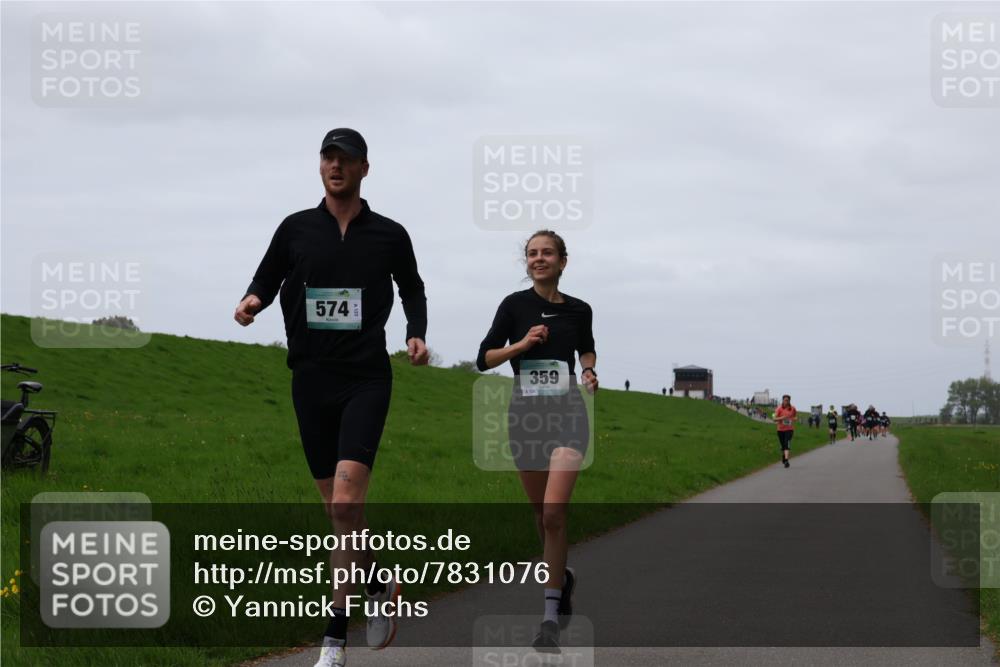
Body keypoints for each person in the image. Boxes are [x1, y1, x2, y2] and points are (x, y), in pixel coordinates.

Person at [234, 128, 429, 667]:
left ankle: (333, 641)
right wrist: (251, 301)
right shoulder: (295, 228)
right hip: (310, 378)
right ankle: (376, 582)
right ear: (320, 166)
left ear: (365, 168)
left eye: (345, 159)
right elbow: (267, 277)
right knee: (338, 509)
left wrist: (416, 330)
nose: (335, 166)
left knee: (346, 502)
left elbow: (412, 285)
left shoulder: (389, 234)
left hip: (366, 378)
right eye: (328, 157)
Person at [476, 230, 597, 654]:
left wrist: (587, 371)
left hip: (568, 414)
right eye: (532, 253)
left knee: (553, 511)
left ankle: (549, 619)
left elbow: (587, 349)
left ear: (563, 261)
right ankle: (561, 580)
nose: (539, 258)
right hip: (526, 418)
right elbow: (483, 358)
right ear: (526, 262)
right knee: (540, 515)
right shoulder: (513, 306)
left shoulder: (580, 310)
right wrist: (522, 345)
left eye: (547, 253)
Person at [774, 394, 796, 468]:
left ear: (789, 401)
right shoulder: (779, 409)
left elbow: (795, 416)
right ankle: (784, 455)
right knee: (783, 445)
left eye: (788, 400)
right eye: (785, 400)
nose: (786, 401)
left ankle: (786, 460)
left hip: (789, 429)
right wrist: (782, 418)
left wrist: (794, 419)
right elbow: (774, 419)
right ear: (782, 400)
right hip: (780, 430)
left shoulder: (792, 408)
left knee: (787, 443)